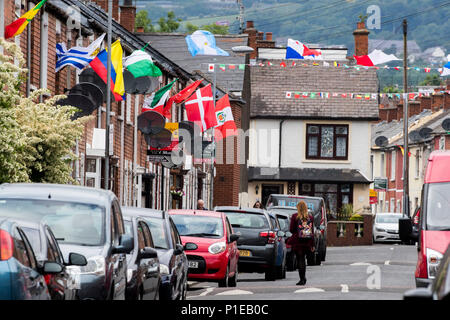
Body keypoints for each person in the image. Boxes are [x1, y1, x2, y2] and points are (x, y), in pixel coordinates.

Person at [287, 201, 315, 286]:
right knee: (304, 260)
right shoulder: (310, 217)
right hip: (307, 242)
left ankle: (302, 279)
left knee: (300, 259)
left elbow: (291, 229)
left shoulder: (295, 216)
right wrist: (312, 244)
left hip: (298, 242)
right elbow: (312, 231)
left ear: (298, 208)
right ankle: (303, 278)